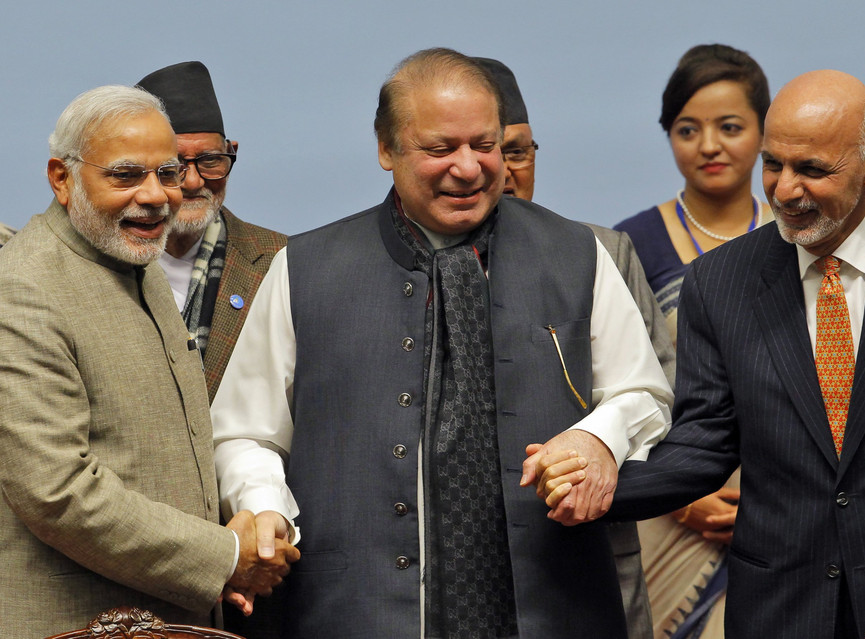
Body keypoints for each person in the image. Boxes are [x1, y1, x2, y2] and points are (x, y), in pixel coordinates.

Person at [212, 47, 673, 638]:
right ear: (386, 150)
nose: (469, 167)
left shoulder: (579, 254)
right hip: (349, 611)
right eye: (440, 149)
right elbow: (245, 430)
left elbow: (644, 393)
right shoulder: (304, 269)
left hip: (556, 606)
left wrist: (600, 438)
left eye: (485, 145)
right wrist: (266, 505)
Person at [533, 69, 865, 639]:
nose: (784, 190)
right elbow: (704, 443)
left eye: (811, 170)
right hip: (782, 609)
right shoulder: (720, 281)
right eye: (773, 164)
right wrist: (602, 483)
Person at [0, 85, 299, 639]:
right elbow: (57, 491)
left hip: (170, 619)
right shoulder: (21, 288)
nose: (159, 194)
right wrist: (224, 555)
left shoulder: (133, 260)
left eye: (165, 173)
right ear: (61, 178)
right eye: (125, 175)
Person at [474, 55, 675, 639]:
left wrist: (599, 448)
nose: (506, 172)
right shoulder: (410, 263)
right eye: (491, 152)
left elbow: (661, 395)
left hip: (589, 548)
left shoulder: (602, 252)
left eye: (519, 152)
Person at [612, 44, 772, 638]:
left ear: (762, 130)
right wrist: (683, 497)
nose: (709, 145)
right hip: (667, 511)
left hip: (787, 509)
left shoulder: (799, 238)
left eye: (729, 127)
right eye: (688, 129)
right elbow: (615, 388)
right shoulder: (631, 245)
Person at [137, 61, 287, 402]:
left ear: (232, 151)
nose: (193, 181)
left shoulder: (281, 261)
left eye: (210, 160)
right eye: (173, 165)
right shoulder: (102, 262)